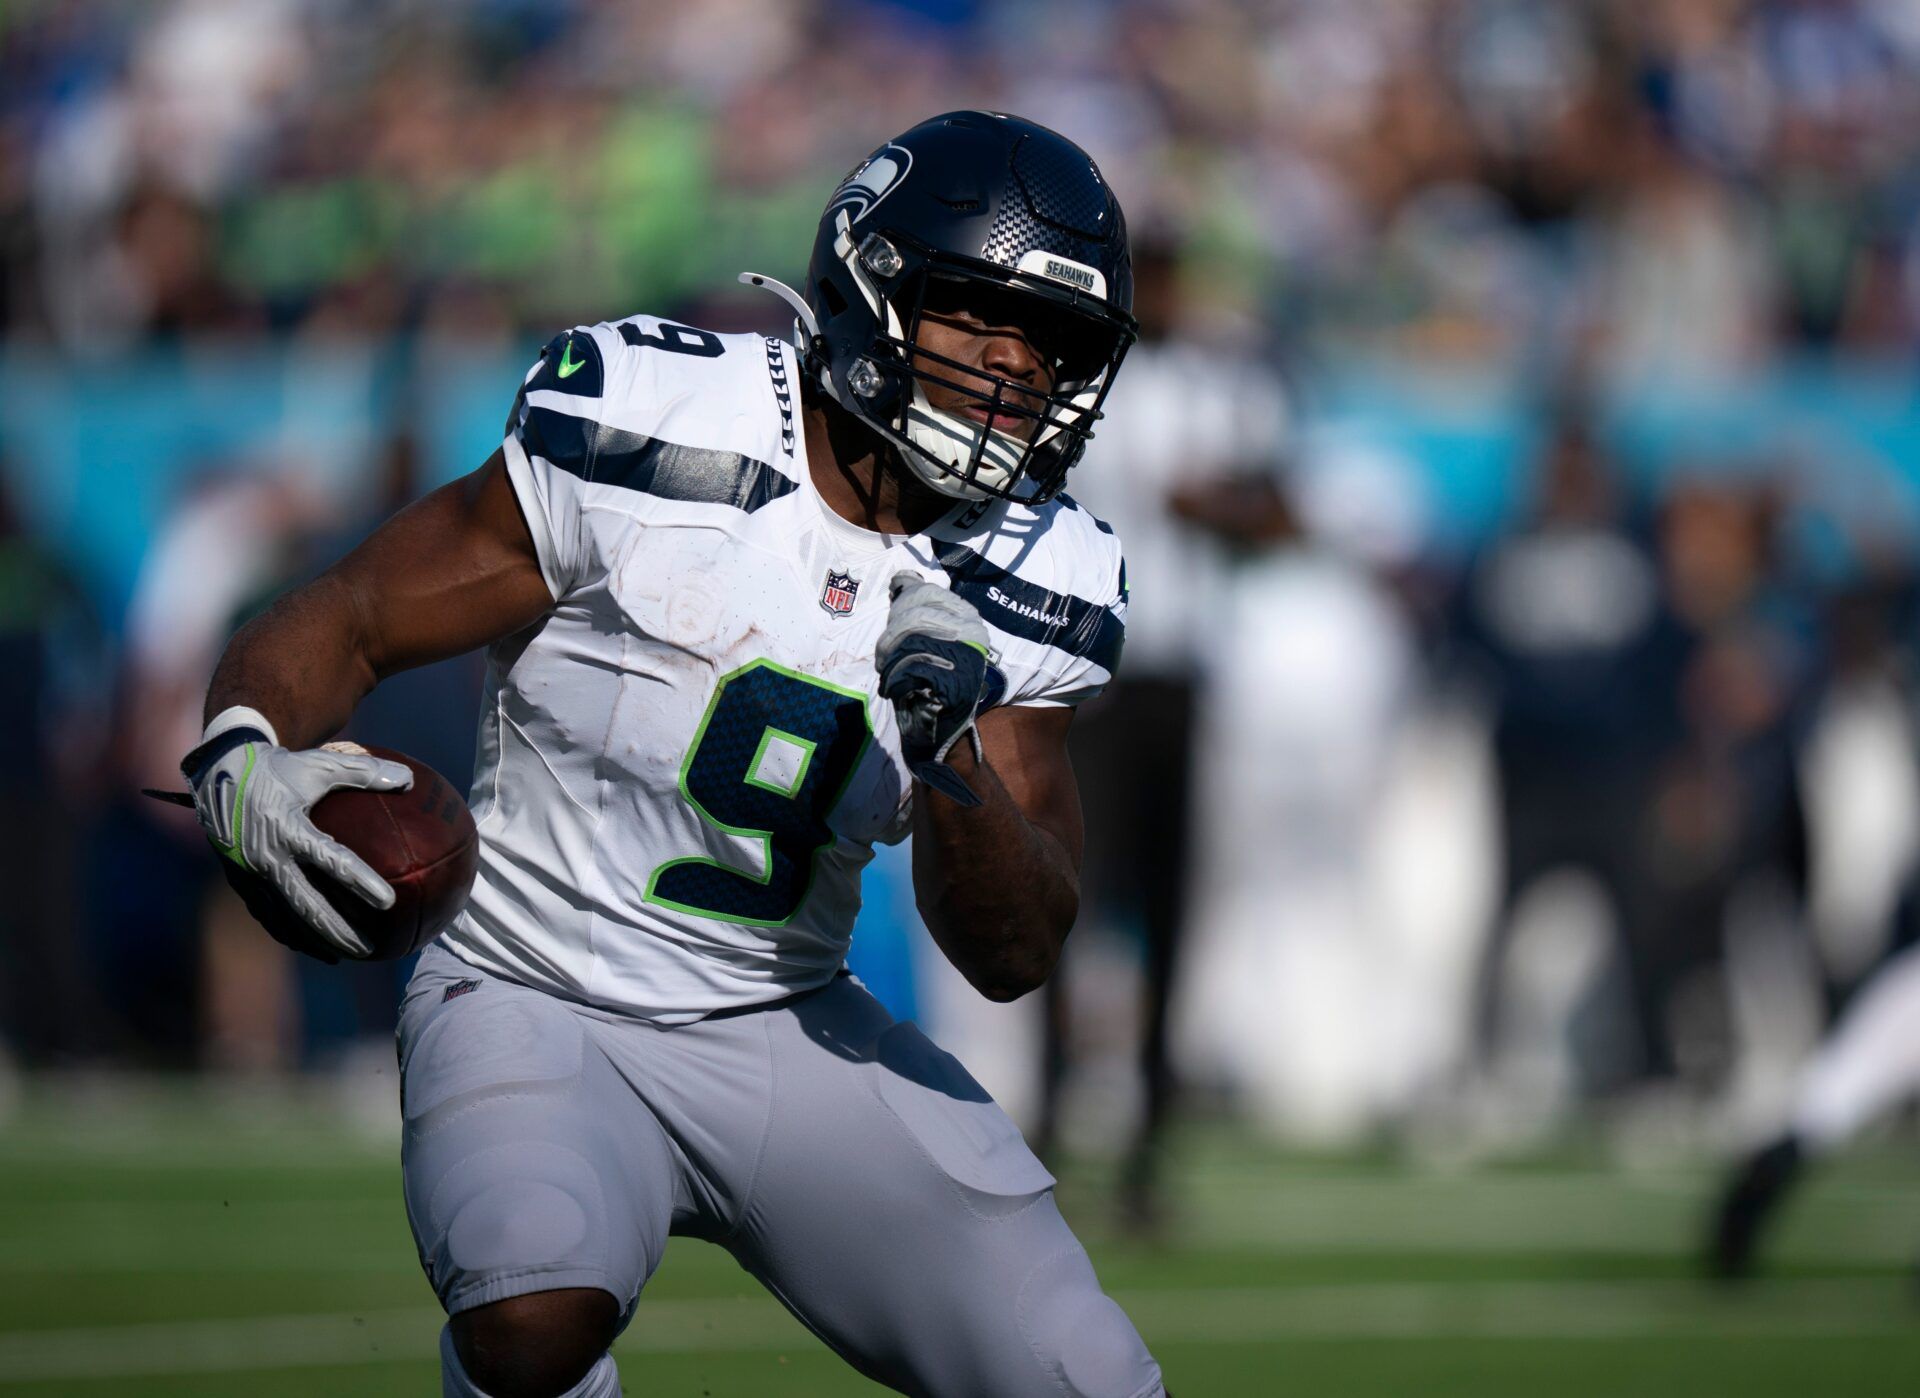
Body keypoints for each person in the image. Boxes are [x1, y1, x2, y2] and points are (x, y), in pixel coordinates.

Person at [176, 112, 1167, 1398]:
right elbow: (359, 614)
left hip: (782, 1016)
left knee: (1084, 1378)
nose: (1016, 373)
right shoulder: (657, 424)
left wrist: (949, 745)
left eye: (1053, 347)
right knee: (529, 1317)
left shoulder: (1044, 569)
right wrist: (243, 752)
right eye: (981, 320)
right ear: (875, 287)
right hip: (532, 982)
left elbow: (1014, 952)